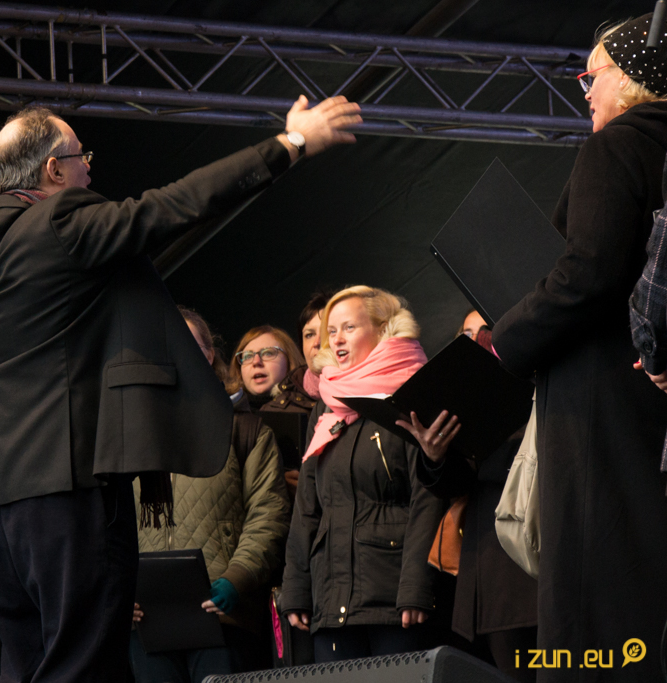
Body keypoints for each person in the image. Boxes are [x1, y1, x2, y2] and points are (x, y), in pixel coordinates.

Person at [0, 95, 360, 681]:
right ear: (53, 170)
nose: (90, 171)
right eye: (81, 158)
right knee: (84, 665)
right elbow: (175, 205)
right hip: (68, 491)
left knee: (26, 666)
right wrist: (290, 144)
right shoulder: (63, 224)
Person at [488, 14, 667, 682]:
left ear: (633, 78)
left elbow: (588, 272)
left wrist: (503, 339)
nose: (585, 92)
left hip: (597, 409)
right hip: (650, 397)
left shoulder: (617, 146)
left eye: (593, 76)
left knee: (593, 606)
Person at [278, 286, 444, 663]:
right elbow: (307, 507)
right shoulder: (326, 406)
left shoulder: (413, 393)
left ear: (384, 329)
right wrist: (296, 588)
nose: (336, 339)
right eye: (331, 331)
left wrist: (416, 587)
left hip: (394, 602)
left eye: (349, 328)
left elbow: (427, 500)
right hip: (330, 602)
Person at [130, 307, 290, 681]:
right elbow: (109, 524)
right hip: (147, 620)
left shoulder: (245, 430)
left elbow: (268, 516)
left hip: (223, 617)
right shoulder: (133, 437)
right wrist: (121, 591)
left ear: (209, 354)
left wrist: (236, 578)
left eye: (187, 344)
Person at [413, 313, 538, 682]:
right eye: (465, 334)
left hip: (526, 573)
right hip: (482, 573)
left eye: (483, 331)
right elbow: (455, 485)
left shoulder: (536, 381)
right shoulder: (461, 395)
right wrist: (434, 455)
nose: (474, 340)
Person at [230, 326, 306, 411]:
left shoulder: (311, 410)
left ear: (289, 360)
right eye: (248, 356)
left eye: (268, 353)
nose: (256, 362)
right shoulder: (226, 412)